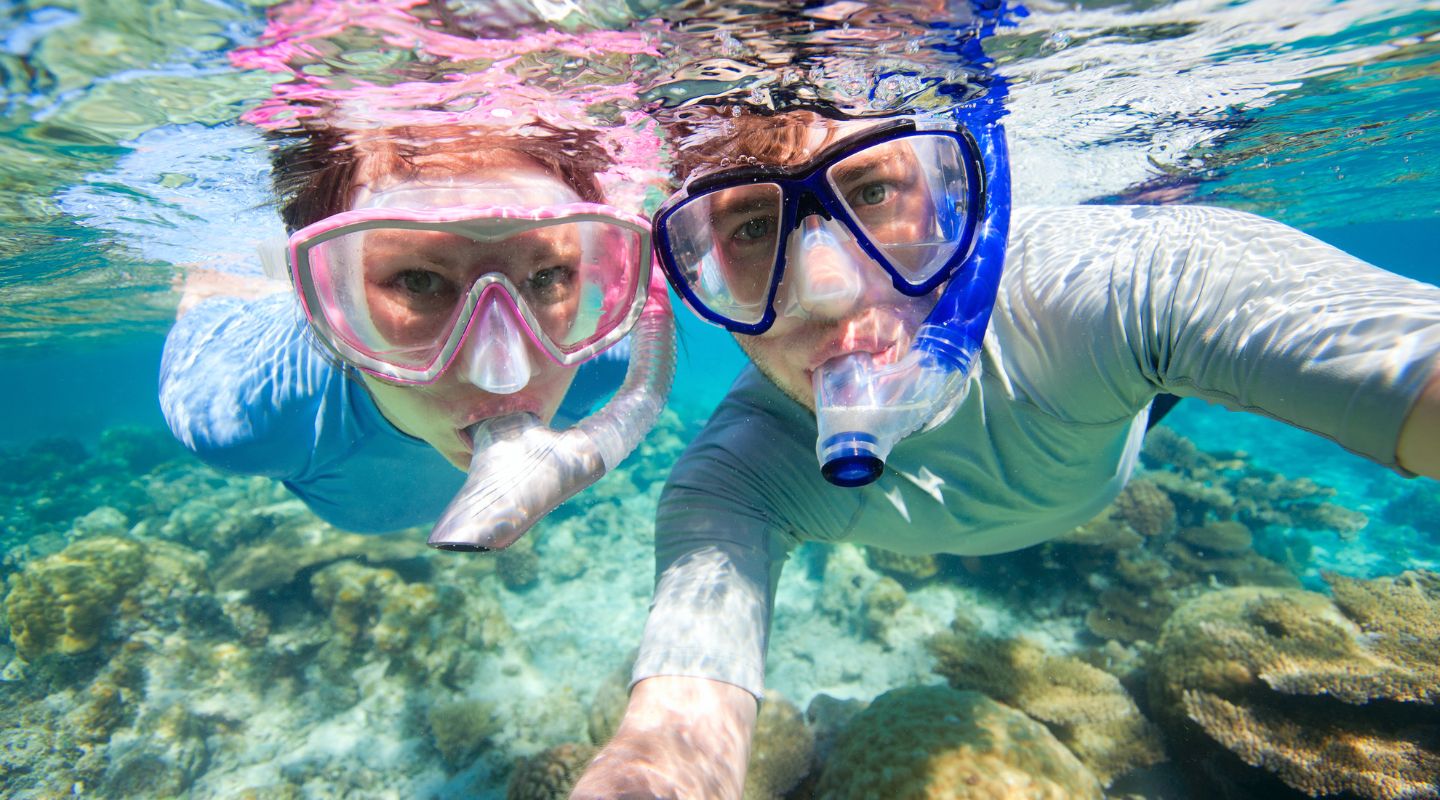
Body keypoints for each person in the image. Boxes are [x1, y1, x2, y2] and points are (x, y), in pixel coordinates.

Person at [571, 81, 1440, 800]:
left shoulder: (1109, 289)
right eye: (753, 228)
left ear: (957, 193)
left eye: (873, 190)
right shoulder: (734, 481)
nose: (829, 291)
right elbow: (673, 742)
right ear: (696, 266)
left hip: (1118, 401)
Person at [159, 1, 673, 546]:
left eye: (547, 277)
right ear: (321, 295)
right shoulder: (245, 415)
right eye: (420, 281)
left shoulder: (605, 348)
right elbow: (205, 315)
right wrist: (210, 286)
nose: (507, 374)